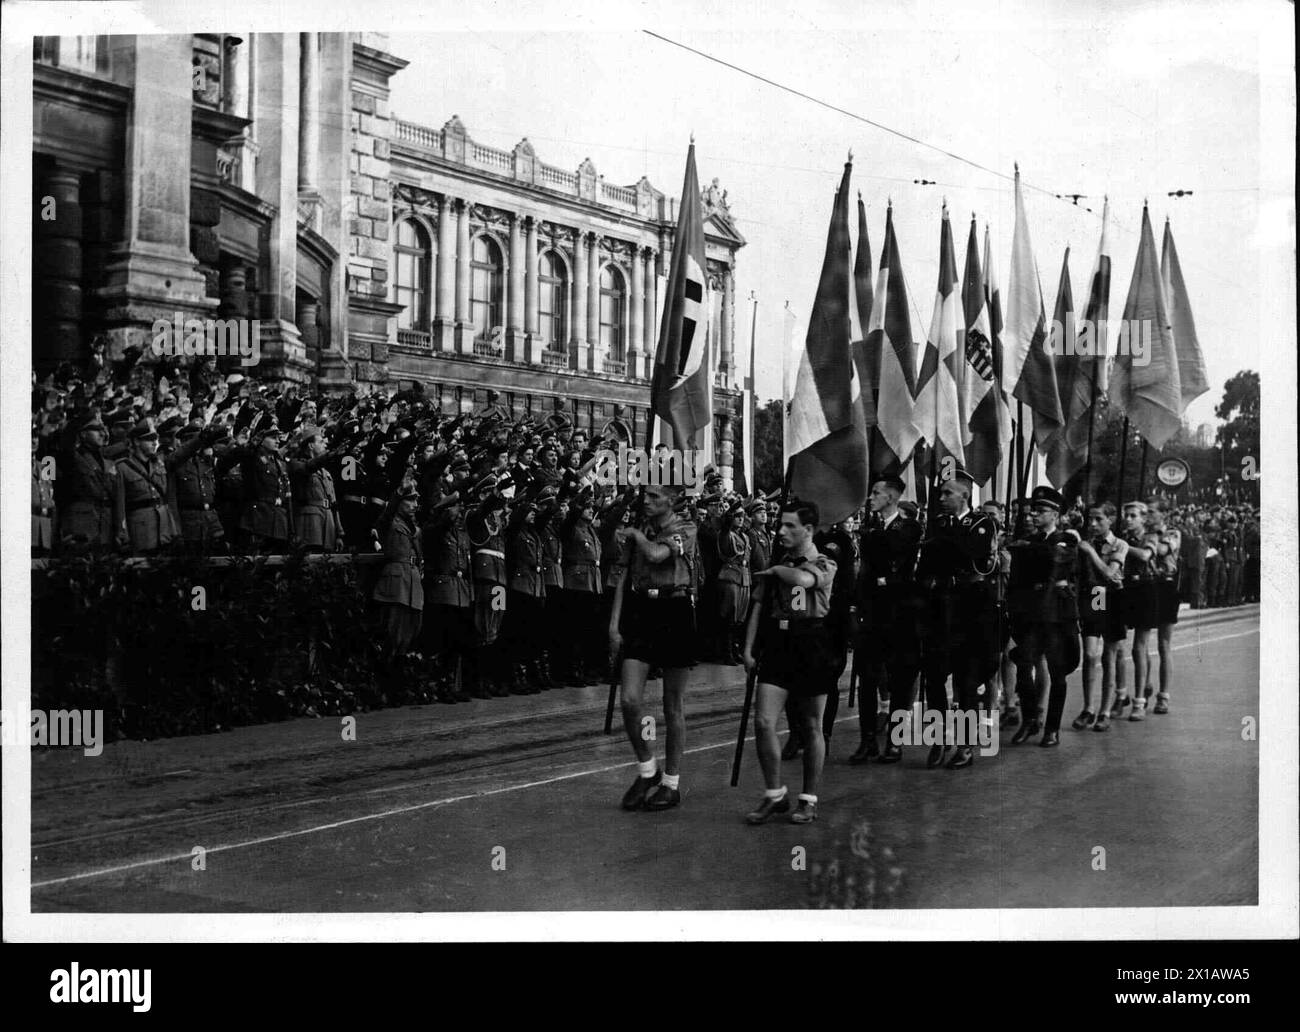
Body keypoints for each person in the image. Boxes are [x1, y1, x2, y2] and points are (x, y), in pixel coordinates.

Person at [741, 500, 838, 824]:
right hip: (779, 643)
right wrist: (748, 648)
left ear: (808, 530)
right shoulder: (777, 561)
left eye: (789, 526)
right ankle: (774, 793)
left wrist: (776, 571)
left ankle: (808, 798)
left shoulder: (824, 562)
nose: (781, 530)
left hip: (811, 642)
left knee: (811, 726)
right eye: (780, 525)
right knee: (764, 721)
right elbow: (758, 605)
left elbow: (802, 581)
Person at [608, 480, 699, 812]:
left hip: (675, 611)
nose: (646, 501)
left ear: (671, 500)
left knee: (672, 705)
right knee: (630, 700)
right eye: (645, 495)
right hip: (642, 611)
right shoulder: (640, 528)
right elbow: (623, 576)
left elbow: (658, 554)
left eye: (654, 496)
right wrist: (614, 625)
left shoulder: (686, 527)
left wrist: (637, 536)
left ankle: (671, 783)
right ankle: (648, 769)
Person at [913, 468, 1000, 768]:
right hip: (940, 607)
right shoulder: (938, 524)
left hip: (969, 610)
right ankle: (939, 738)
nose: (942, 498)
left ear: (964, 495)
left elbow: (968, 553)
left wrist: (939, 543)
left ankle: (966, 744)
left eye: (948, 493)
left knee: (967, 680)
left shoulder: (981, 523)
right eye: (940, 493)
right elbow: (926, 566)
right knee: (935, 677)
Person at [849, 476, 922, 764]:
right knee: (868, 678)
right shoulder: (872, 530)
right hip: (873, 615)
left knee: (900, 681)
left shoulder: (909, 527)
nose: (871, 497)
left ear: (892, 497)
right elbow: (866, 572)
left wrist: (873, 541)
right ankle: (867, 740)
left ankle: (895, 740)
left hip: (900, 615)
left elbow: (894, 550)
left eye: (877, 493)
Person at [1073, 503, 1128, 731]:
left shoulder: (1119, 544)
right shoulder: (1086, 544)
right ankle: (1088, 708)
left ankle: (1105, 710)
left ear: (1111, 520)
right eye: (1091, 519)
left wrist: (1090, 552)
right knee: (1089, 654)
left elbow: (1110, 573)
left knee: (1109, 656)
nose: (1093, 524)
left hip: (1113, 598)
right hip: (1094, 597)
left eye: (1099, 520)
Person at [1113, 501, 1158, 721]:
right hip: (1124, 589)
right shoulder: (1122, 537)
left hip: (1145, 589)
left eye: (1133, 516)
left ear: (1143, 519)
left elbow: (1144, 556)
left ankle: (1139, 700)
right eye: (1126, 515)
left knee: (1139, 647)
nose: (1128, 519)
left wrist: (1120, 545)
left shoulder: (1150, 537)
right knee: (1118, 646)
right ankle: (1121, 694)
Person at [114, 421, 181, 555]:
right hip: (140, 530)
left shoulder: (158, 464)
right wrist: (122, 533)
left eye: (155, 439)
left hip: (164, 527)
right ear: (137, 442)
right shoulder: (122, 467)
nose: (154, 443)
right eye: (149, 439)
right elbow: (119, 505)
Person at [1143, 498, 1181, 714]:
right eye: (1146, 512)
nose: (1148, 515)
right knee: (1142, 641)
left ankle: (1164, 695)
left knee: (1163, 644)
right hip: (1148, 586)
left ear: (1163, 515)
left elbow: (1162, 550)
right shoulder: (1146, 533)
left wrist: (1147, 539)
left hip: (1166, 588)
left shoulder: (1172, 533)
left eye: (1152, 512)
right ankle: (1146, 684)